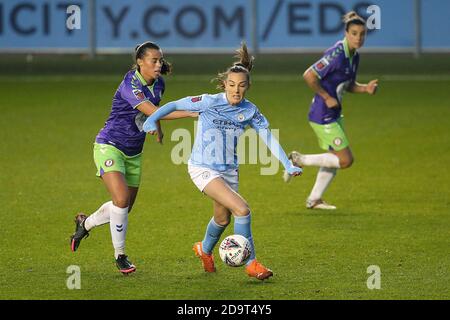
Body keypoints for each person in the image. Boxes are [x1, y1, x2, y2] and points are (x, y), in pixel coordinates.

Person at [142, 43, 302, 280]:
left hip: (228, 170)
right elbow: (175, 105)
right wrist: (152, 120)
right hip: (202, 168)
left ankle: (204, 250)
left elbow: (268, 138)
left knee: (222, 218)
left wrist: (286, 164)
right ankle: (251, 263)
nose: (236, 90)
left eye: (241, 86)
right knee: (242, 209)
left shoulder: (250, 111)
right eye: (231, 85)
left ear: (248, 87)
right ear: (224, 84)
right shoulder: (208, 101)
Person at [69, 41, 196, 274]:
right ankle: (120, 256)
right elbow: (153, 111)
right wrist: (191, 112)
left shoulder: (159, 84)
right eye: (153, 61)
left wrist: (157, 129)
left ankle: (84, 224)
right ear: (140, 62)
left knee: (123, 209)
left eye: (160, 60)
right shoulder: (131, 85)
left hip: (134, 153)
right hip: (109, 146)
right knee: (120, 199)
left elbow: (152, 113)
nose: (159, 65)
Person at [283, 11, 378, 210]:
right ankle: (298, 159)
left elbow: (348, 85)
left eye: (362, 34)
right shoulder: (336, 54)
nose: (358, 38)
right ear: (346, 33)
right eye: (354, 33)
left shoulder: (354, 56)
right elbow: (309, 75)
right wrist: (326, 97)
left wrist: (365, 89)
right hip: (322, 114)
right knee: (345, 160)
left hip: (334, 114)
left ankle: (314, 199)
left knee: (334, 159)